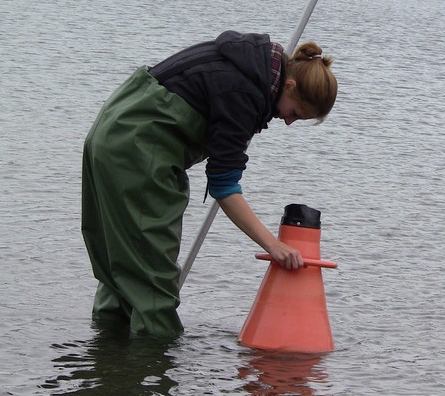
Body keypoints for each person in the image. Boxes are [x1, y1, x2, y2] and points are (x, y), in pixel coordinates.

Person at [81, 31, 337, 339]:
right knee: (153, 283)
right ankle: (154, 367)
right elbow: (224, 186)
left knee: (119, 267)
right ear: (291, 85)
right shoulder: (244, 92)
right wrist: (273, 245)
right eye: (294, 113)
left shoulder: (249, 62)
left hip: (109, 133)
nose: (288, 122)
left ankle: (107, 359)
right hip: (138, 152)